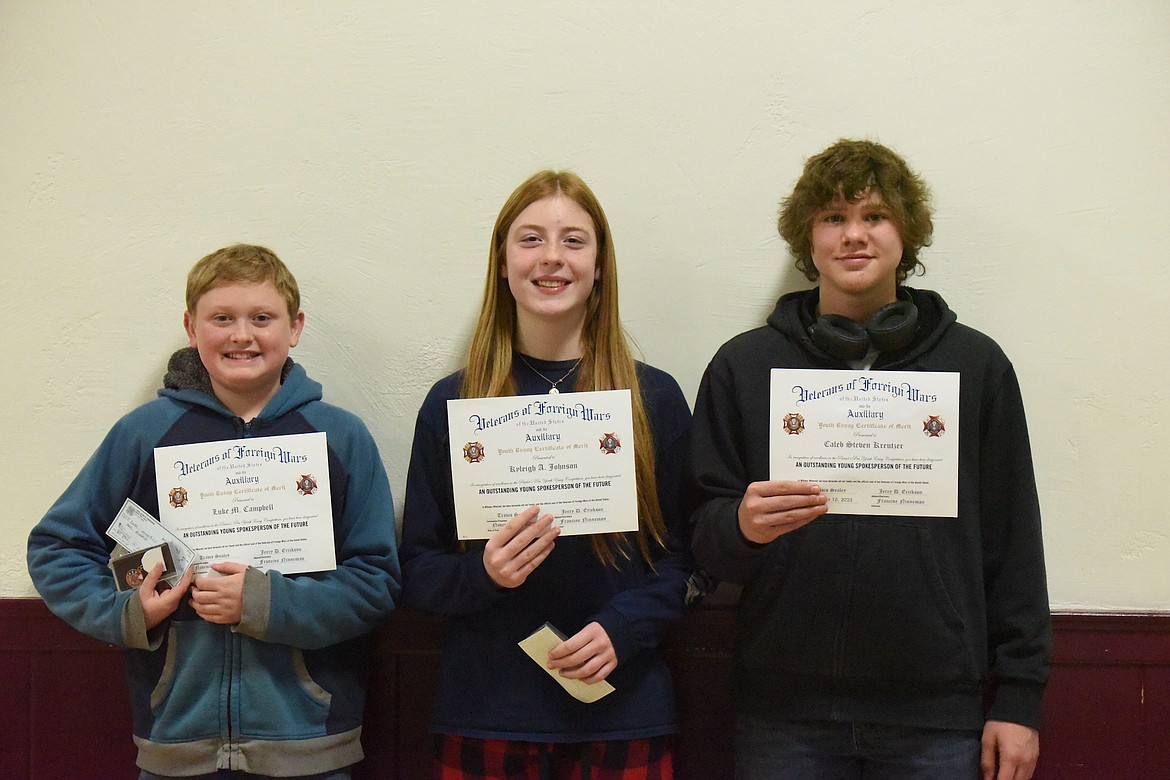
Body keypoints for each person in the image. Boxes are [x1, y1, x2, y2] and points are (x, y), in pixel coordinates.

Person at [688, 140, 1051, 780]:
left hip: (935, 716)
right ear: (808, 237)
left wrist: (1020, 698)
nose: (854, 236)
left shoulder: (976, 366)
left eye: (874, 216)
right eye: (833, 218)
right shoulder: (743, 368)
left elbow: (1013, 537)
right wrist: (741, 526)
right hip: (784, 715)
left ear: (905, 233)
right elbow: (699, 539)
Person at [27, 244, 401, 779]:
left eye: (262, 318)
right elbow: (56, 548)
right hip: (175, 745)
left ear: (294, 327)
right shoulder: (143, 435)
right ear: (190, 326)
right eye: (221, 318)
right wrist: (133, 613)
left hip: (309, 747)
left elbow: (376, 584)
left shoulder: (340, 438)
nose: (241, 335)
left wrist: (263, 602)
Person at [399, 170, 692, 779]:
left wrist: (626, 627)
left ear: (601, 267)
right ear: (501, 266)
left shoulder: (653, 398)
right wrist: (482, 573)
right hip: (487, 709)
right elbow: (418, 569)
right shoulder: (452, 404)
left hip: (622, 708)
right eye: (530, 239)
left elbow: (686, 558)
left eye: (574, 241)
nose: (552, 258)